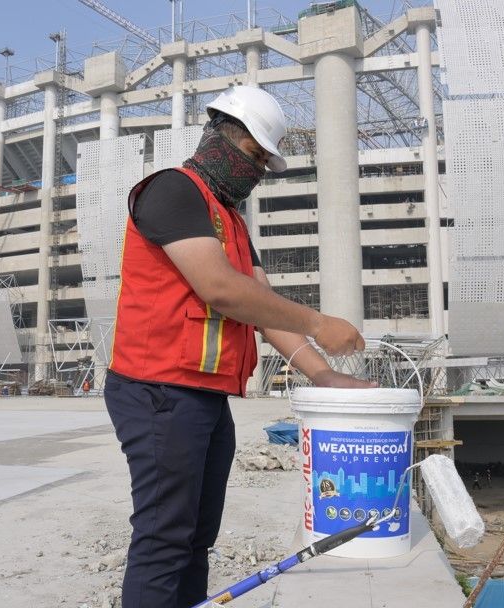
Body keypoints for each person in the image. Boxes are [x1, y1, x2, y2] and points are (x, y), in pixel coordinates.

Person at [104, 85, 374, 608]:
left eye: (262, 164)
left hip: (202, 396)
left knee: (195, 538)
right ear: (220, 136)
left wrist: (323, 375)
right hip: (158, 389)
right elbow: (222, 289)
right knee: (165, 537)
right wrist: (319, 322)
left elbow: (260, 303)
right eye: (252, 157)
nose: (254, 172)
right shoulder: (173, 192)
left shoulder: (226, 217)